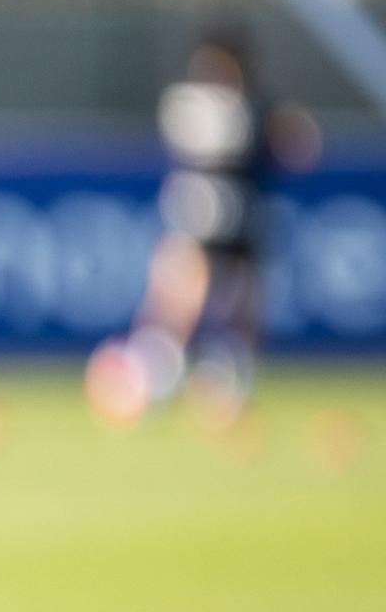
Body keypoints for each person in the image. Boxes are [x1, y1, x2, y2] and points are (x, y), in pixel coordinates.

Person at [85, 24, 319, 431]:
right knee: (178, 306)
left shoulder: (252, 105)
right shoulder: (200, 102)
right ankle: (141, 384)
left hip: (242, 221)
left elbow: (303, 146)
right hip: (199, 218)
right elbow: (248, 137)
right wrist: (266, 119)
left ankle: (221, 389)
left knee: (243, 313)